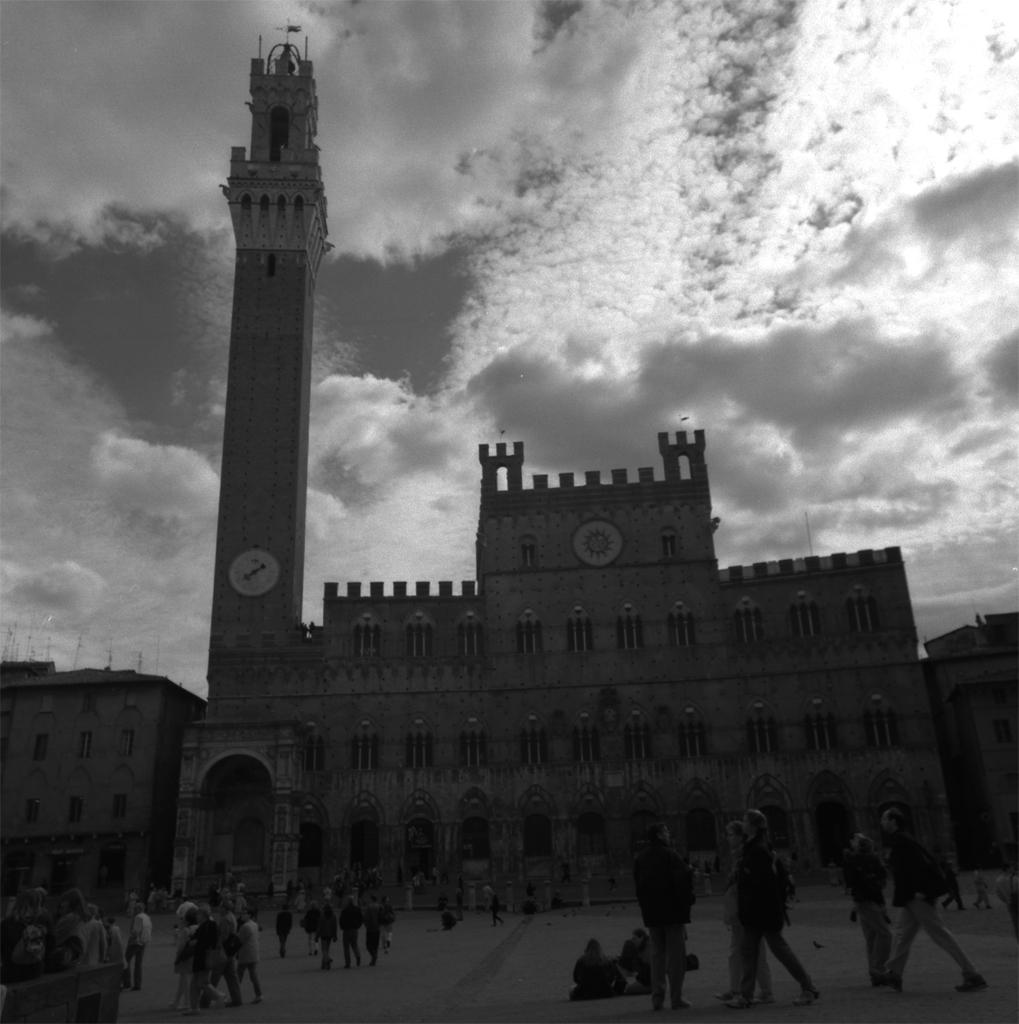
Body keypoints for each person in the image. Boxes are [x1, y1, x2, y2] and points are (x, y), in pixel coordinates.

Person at [878, 808, 988, 992]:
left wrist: (925, 891)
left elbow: (923, 866)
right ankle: (894, 974)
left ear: (893, 821)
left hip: (917, 897)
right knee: (902, 935)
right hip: (909, 897)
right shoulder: (902, 840)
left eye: (884, 819)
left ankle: (972, 974)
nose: (881, 822)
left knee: (940, 935)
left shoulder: (904, 841)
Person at [726, 809, 818, 1008]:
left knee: (780, 951)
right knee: (748, 952)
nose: (742, 823)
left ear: (754, 826)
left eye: (745, 820)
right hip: (754, 912)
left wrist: (757, 908)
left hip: (763, 912)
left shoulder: (758, 850)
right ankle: (745, 996)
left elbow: (764, 885)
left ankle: (808, 987)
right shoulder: (753, 847)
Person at [633, 821, 695, 1010]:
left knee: (657, 957)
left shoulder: (641, 858)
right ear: (659, 835)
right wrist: (690, 875)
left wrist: (645, 907)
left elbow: (638, 886)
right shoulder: (671, 855)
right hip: (672, 914)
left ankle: (657, 999)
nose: (669, 834)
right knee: (676, 958)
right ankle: (676, 998)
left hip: (652, 914)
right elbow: (681, 882)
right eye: (666, 831)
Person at [715, 820, 772, 1004]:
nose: (728, 838)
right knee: (736, 950)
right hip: (738, 909)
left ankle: (765, 991)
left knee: (756, 950)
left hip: (747, 909)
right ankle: (736, 989)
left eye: (731, 834)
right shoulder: (737, 854)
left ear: (741, 836)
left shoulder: (747, 854)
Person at [843, 832, 892, 986]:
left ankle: (875, 973)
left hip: (862, 901)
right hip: (869, 900)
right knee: (884, 934)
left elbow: (850, 882)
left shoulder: (852, 860)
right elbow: (881, 878)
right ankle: (878, 969)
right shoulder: (870, 859)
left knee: (872, 937)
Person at [1, 888, 53, 985]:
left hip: (13, 975)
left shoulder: (7, 924)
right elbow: (50, 947)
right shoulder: (42, 923)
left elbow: (6, 954)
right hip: (36, 972)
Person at [186, 904, 225, 1015]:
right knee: (195, 984)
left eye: (198, 914)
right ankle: (194, 1008)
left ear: (203, 915)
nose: (196, 917)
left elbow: (210, 942)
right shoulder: (204, 925)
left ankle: (219, 996)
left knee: (202, 983)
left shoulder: (210, 925)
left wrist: (196, 942)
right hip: (201, 958)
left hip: (204, 958)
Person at [170, 906, 198, 1011]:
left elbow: (181, 945)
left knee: (185, 981)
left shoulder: (186, 930)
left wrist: (178, 957)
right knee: (183, 981)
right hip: (193, 956)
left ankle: (187, 1002)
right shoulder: (198, 927)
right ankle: (177, 1002)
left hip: (185, 957)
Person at [123, 898, 152, 991]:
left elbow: (136, 931)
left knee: (126, 961)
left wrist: (131, 935)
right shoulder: (147, 917)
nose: (134, 911)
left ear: (138, 909)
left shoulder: (138, 917)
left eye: (135, 909)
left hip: (135, 942)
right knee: (138, 964)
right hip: (143, 942)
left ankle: (127, 982)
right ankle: (137, 984)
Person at [236, 906, 262, 1001]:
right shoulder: (254, 924)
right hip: (253, 952)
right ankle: (258, 994)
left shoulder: (245, 926)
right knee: (253, 975)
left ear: (249, 915)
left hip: (245, 953)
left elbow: (239, 940)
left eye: (244, 913)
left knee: (238, 976)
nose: (242, 915)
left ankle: (236, 995)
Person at [615, 927, 652, 993]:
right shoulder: (642, 947)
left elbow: (647, 972)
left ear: (641, 938)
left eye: (635, 938)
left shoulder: (647, 950)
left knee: (627, 989)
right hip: (647, 979)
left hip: (649, 982)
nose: (633, 940)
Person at [338, 895, 363, 968]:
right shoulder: (357, 909)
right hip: (354, 929)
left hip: (346, 930)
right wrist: (358, 925)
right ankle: (358, 956)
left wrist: (342, 927)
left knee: (346, 947)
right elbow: (361, 918)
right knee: (355, 945)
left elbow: (341, 920)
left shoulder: (345, 910)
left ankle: (348, 963)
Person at [994, 863, 1018, 939]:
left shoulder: (998, 880)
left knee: (1016, 924)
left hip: (1010, 903)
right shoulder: (1015, 879)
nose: (1014, 869)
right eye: (1012, 868)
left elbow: (998, 893)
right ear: (1008, 869)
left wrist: (1007, 900)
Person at [316, 902, 338, 969]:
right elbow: (335, 927)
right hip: (330, 934)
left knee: (324, 949)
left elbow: (319, 927)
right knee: (327, 949)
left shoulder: (322, 916)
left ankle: (327, 959)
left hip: (323, 934)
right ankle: (324, 964)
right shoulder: (333, 916)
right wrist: (335, 936)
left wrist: (317, 936)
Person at [362, 894, 382, 965]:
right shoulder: (379, 906)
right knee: (375, 945)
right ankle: (374, 960)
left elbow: (365, 918)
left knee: (368, 945)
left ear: (371, 899)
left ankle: (373, 956)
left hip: (370, 928)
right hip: (377, 928)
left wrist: (366, 925)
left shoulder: (369, 907)